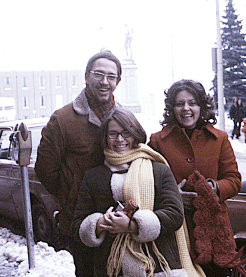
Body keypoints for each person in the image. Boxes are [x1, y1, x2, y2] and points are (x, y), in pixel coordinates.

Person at [35, 50, 122, 276]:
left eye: (111, 77)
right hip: (81, 221)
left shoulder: (123, 118)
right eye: (99, 74)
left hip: (119, 222)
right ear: (86, 76)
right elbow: (45, 170)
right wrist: (71, 197)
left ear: (118, 81)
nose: (105, 82)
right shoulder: (63, 119)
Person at [72, 107, 187, 277]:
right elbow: (77, 225)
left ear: (136, 134)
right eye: (113, 134)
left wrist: (132, 226)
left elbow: (175, 214)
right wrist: (98, 223)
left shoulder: (159, 170)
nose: (120, 139)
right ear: (105, 138)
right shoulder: (93, 176)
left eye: (126, 132)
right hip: (112, 267)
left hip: (158, 264)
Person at [148, 79, 242, 276]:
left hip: (214, 230)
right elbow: (149, 184)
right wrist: (175, 196)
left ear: (202, 106)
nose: (186, 108)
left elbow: (233, 180)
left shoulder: (220, 139)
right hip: (174, 229)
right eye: (179, 103)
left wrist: (213, 187)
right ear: (172, 108)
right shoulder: (158, 141)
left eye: (192, 103)